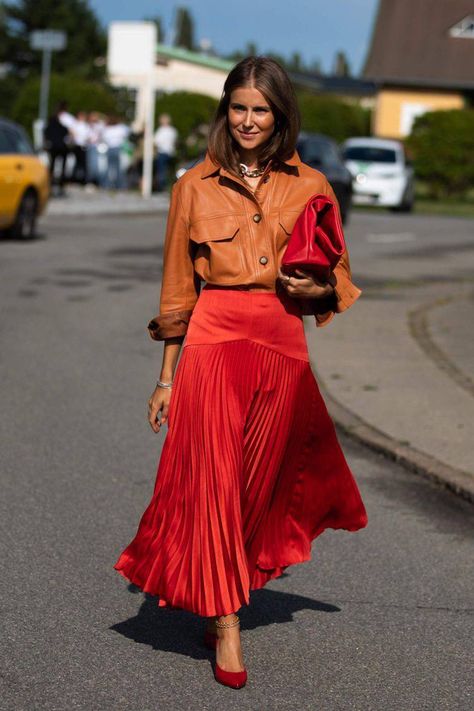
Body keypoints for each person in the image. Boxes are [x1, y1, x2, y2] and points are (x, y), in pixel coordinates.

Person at [114, 56, 368, 690]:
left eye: (262, 110)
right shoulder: (193, 186)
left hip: (281, 339)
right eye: (239, 108)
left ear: (280, 115)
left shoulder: (311, 185)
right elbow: (177, 290)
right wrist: (165, 378)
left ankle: (223, 583)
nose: (249, 121)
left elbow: (336, 279)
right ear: (225, 110)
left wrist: (311, 284)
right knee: (214, 483)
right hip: (213, 340)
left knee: (255, 488)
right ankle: (226, 619)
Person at [43, 107, 70, 196]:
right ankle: (61, 185)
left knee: (52, 166)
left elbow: (46, 138)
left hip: (53, 148)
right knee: (62, 167)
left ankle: (49, 183)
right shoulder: (61, 126)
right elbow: (67, 134)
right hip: (63, 148)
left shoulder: (48, 127)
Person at [101, 115, 130, 190]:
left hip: (110, 148)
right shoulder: (120, 128)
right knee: (118, 168)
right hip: (117, 148)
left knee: (109, 168)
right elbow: (126, 135)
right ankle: (120, 185)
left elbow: (104, 138)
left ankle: (107, 185)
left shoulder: (107, 129)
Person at [153, 113, 178, 191]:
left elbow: (155, 142)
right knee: (169, 171)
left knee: (161, 170)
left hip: (162, 152)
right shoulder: (173, 130)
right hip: (170, 153)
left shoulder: (161, 130)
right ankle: (169, 186)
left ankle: (161, 187)